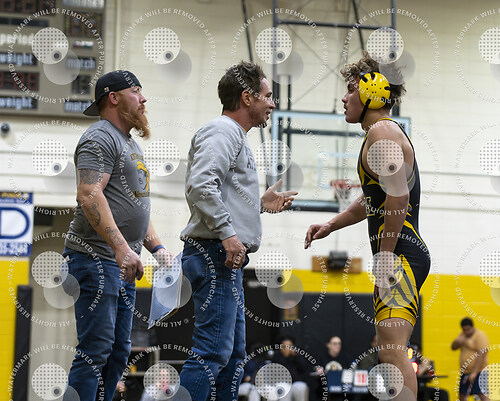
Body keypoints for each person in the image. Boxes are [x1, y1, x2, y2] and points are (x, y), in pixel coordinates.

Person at [305, 53, 430, 400]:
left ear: (371, 92)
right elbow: (375, 198)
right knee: (389, 352)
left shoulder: (382, 132)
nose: (344, 98)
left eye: (350, 90)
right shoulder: (380, 133)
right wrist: (331, 224)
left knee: (393, 352)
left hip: (401, 255)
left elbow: (398, 197)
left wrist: (385, 256)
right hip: (400, 254)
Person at [178, 61, 298, 401]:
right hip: (215, 252)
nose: (272, 103)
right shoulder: (223, 131)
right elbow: (201, 186)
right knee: (212, 352)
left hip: (224, 254)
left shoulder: (234, 136)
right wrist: (229, 235)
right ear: (247, 98)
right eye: (267, 96)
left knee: (232, 357)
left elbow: (219, 194)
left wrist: (255, 204)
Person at [62, 70, 172, 401]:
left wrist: (158, 249)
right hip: (94, 258)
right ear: (114, 97)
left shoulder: (130, 144)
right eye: (136, 91)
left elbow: (135, 208)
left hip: (121, 263)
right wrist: (123, 249)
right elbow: (89, 194)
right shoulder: (99, 137)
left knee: (119, 351)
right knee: (96, 349)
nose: (143, 98)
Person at [452, 318, 489, 401]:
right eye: (464, 330)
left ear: (472, 327)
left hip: (479, 371)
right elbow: (453, 347)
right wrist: (457, 342)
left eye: (468, 329)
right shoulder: (462, 335)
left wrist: (474, 372)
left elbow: (482, 354)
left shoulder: (479, 335)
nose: (467, 332)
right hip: (465, 372)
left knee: (482, 393)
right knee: (462, 394)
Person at [273, 336, 310, 401]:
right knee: (284, 387)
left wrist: (295, 356)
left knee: (301, 386)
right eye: (285, 347)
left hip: (295, 383)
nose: (288, 349)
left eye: (290, 346)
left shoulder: (297, 357)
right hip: (282, 383)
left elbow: (304, 369)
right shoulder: (276, 357)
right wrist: (286, 357)